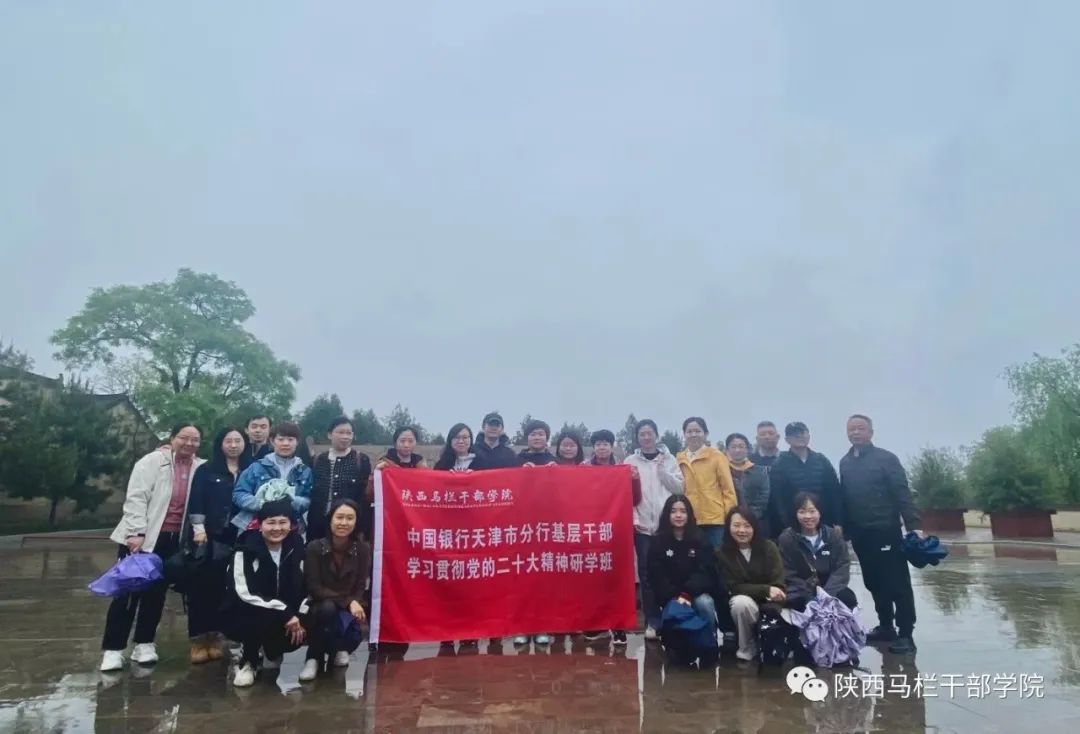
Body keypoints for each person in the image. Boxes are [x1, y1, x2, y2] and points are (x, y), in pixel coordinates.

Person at [99, 423, 206, 672]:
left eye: (195, 440)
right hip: (145, 537)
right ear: (172, 437)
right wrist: (136, 532)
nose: (189, 443)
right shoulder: (152, 462)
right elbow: (136, 497)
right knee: (127, 592)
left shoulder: (200, 467)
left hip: (174, 540)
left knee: (156, 592)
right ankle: (113, 649)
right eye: (184, 438)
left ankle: (144, 643)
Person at [839, 414, 923, 655]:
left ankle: (906, 633)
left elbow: (902, 493)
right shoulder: (845, 462)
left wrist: (913, 525)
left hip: (886, 532)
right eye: (851, 429)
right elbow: (845, 498)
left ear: (871, 432)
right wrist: (844, 531)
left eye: (860, 428)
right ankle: (886, 626)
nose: (856, 432)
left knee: (897, 583)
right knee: (873, 582)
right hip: (861, 535)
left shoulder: (886, 459)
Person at [185, 426, 249, 664]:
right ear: (220, 444)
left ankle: (218, 638)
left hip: (239, 538)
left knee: (228, 590)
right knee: (202, 590)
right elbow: (196, 500)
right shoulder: (207, 470)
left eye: (238, 441)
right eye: (228, 441)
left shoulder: (251, 469)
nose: (233, 445)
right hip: (209, 538)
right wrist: (199, 529)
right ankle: (199, 640)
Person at [227, 499, 309, 687]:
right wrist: (285, 613)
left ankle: (272, 650)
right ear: (260, 524)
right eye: (271, 522)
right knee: (251, 615)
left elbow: (306, 584)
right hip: (250, 609)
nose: (277, 528)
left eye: (283, 522)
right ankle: (248, 660)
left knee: (310, 618)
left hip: (285, 612)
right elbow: (243, 593)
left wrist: (299, 615)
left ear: (291, 524)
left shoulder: (297, 546)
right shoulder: (244, 549)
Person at [623, 419, 684, 641]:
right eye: (642, 434)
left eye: (650, 433)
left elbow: (680, 488)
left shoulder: (669, 459)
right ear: (637, 438)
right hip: (642, 527)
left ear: (656, 435)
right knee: (646, 574)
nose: (646, 437)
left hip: (665, 526)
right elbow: (625, 494)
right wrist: (633, 519)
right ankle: (652, 620)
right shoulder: (629, 461)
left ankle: (672, 615)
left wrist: (663, 472)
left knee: (669, 572)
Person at [301, 498, 370, 682]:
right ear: (330, 519)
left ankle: (339, 648)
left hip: (349, 608)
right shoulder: (315, 547)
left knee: (352, 617)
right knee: (328, 608)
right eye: (339, 517)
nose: (344, 523)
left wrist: (354, 601)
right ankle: (313, 657)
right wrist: (348, 601)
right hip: (320, 605)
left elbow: (360, 584)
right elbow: (314, 587)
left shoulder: (362, 549)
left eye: (350, 518)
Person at [584, 429, 639, 647]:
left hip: (616, 529)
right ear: (593, 447)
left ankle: (618, 625)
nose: (602, 448)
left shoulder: (622, 469)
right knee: (593, 578)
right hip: (590, 530)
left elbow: (636, 499)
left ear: (612, 446)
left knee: (617, 579)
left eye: (605, 444)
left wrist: (634, 480)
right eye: (598, 444)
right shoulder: (583, 469)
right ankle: (597, 623)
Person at [716, 506, 786, 662]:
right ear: (728, 527)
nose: (742, 530)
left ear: (755, 527)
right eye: (736, 525)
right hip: (743, 606)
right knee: (741, 603)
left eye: (747, 526)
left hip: (769, 604)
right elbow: (733, 587)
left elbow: (778, 581)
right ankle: (747, 646)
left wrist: (773, 592)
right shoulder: (722, 554)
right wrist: (765, 589)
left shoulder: (769, 547)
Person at [647, 495, 722, 634]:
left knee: (705, 603)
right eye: (673, 511)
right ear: (667, 514)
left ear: (689, 514)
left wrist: (687, 593)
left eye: (683, 511)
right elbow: (656, 575)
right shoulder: (658, 542)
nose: (678, 515)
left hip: (696, 593)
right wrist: (675, 595)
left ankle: (710, 639)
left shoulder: (700, 539)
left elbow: (705, 571)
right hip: (669, 596)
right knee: (673, 611)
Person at [777, 492, 856, 611]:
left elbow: (842, 567)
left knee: (847, 598)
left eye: (812, 511)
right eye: (802, 512)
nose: (808, 516)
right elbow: (787, 571)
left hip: (830, 589)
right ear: (795, 514)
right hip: (800, 590)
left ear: (820, 512)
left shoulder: (833, 536)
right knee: (795, 602)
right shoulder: (787, 539)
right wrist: (809, 594)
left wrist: (826, 595)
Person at [231, 421, 313, 533]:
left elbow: (309, 499)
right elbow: (239, 494)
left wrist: (292, 501)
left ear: (297, 442)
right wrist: (262, 503)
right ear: (272, 441)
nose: (285, 443)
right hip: (256, 526)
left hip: (292, 527)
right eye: (281, 439)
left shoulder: (305, 471)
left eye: (290, 440)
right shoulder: (256, 467)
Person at [767, 422, 842, 539]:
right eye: (794, 434)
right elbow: (777, 500)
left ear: (808, 436)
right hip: (794, 525)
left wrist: (838, 522)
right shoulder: (779, 464)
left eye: (802, 433)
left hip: (824, 522)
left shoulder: (821, 460)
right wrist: (786, 526)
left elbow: (834, 492)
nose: (799, 436)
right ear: (787, 440)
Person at [675, 417, 738, 548]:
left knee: (718, 555)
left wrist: (731, 517)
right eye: (689, 431)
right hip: (689, 518)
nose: (693, 435)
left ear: (706, 433)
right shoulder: (679, 458)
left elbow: (728, 490)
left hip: (715, 519)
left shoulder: (717, 456)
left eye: (697, 431)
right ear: (684, 434)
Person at [308, 416, 372, 542]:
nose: (345, 437)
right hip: (319, 525)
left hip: (348, 526)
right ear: (329, 435)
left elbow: (364, 496)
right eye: (341, 432)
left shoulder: (360, 459)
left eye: (349, 433)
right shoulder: (319, 460)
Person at [724, 433, 771, 536]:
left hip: (755, 521)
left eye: (741, 446)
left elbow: (763, 497)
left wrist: (749, 517)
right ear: (727, 450)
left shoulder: (760, 471)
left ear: (747, 449)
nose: (737, 450)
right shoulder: (721, 471)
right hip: (727, 522)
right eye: (733, 447)